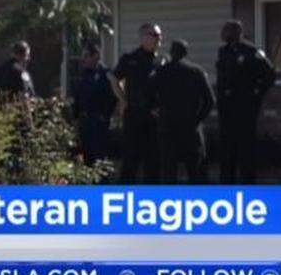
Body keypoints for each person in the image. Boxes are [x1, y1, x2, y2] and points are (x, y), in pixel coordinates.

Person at [216, 20, 277, 184]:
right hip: (227, 109)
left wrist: (256, 94)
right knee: (227, 149)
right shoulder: (223, 51)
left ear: (236, 32)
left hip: (245, 109)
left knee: (245, 149)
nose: (223, 35)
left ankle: (248, 184)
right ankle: (226, 185)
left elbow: (270, 74)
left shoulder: (252, 51)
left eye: (227, 31)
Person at [149, 39, 214, 184]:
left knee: (168, 170)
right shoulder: (197, 72)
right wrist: (197, 119)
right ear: (186, 53)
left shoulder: (160, 72)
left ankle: (170, 201)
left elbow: (147, 95)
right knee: (195, 170)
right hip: (190, 126)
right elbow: (210, 101)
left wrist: (157, 111)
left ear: (171, 53)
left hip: (168, 126)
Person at [113, 23, 165, 183]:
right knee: (130, 160)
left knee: (153, 161)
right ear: (143, 37)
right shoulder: (130, 59)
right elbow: (114, 79)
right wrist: (124, 100)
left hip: (153, 117)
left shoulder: (162, 61)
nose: (158, 39)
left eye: (159, 35)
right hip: (134, 115)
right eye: (154, 35)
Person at [72, 42, 118, 165]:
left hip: (99, 122)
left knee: (99, 160)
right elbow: (77, 97)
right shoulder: (83, 74)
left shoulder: (106, 74)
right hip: (85, 123)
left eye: (87, 56)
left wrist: (105, 115)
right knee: (87, 160)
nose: (84, 59)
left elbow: (114, 97)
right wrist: (75, 118)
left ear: (96, 56)